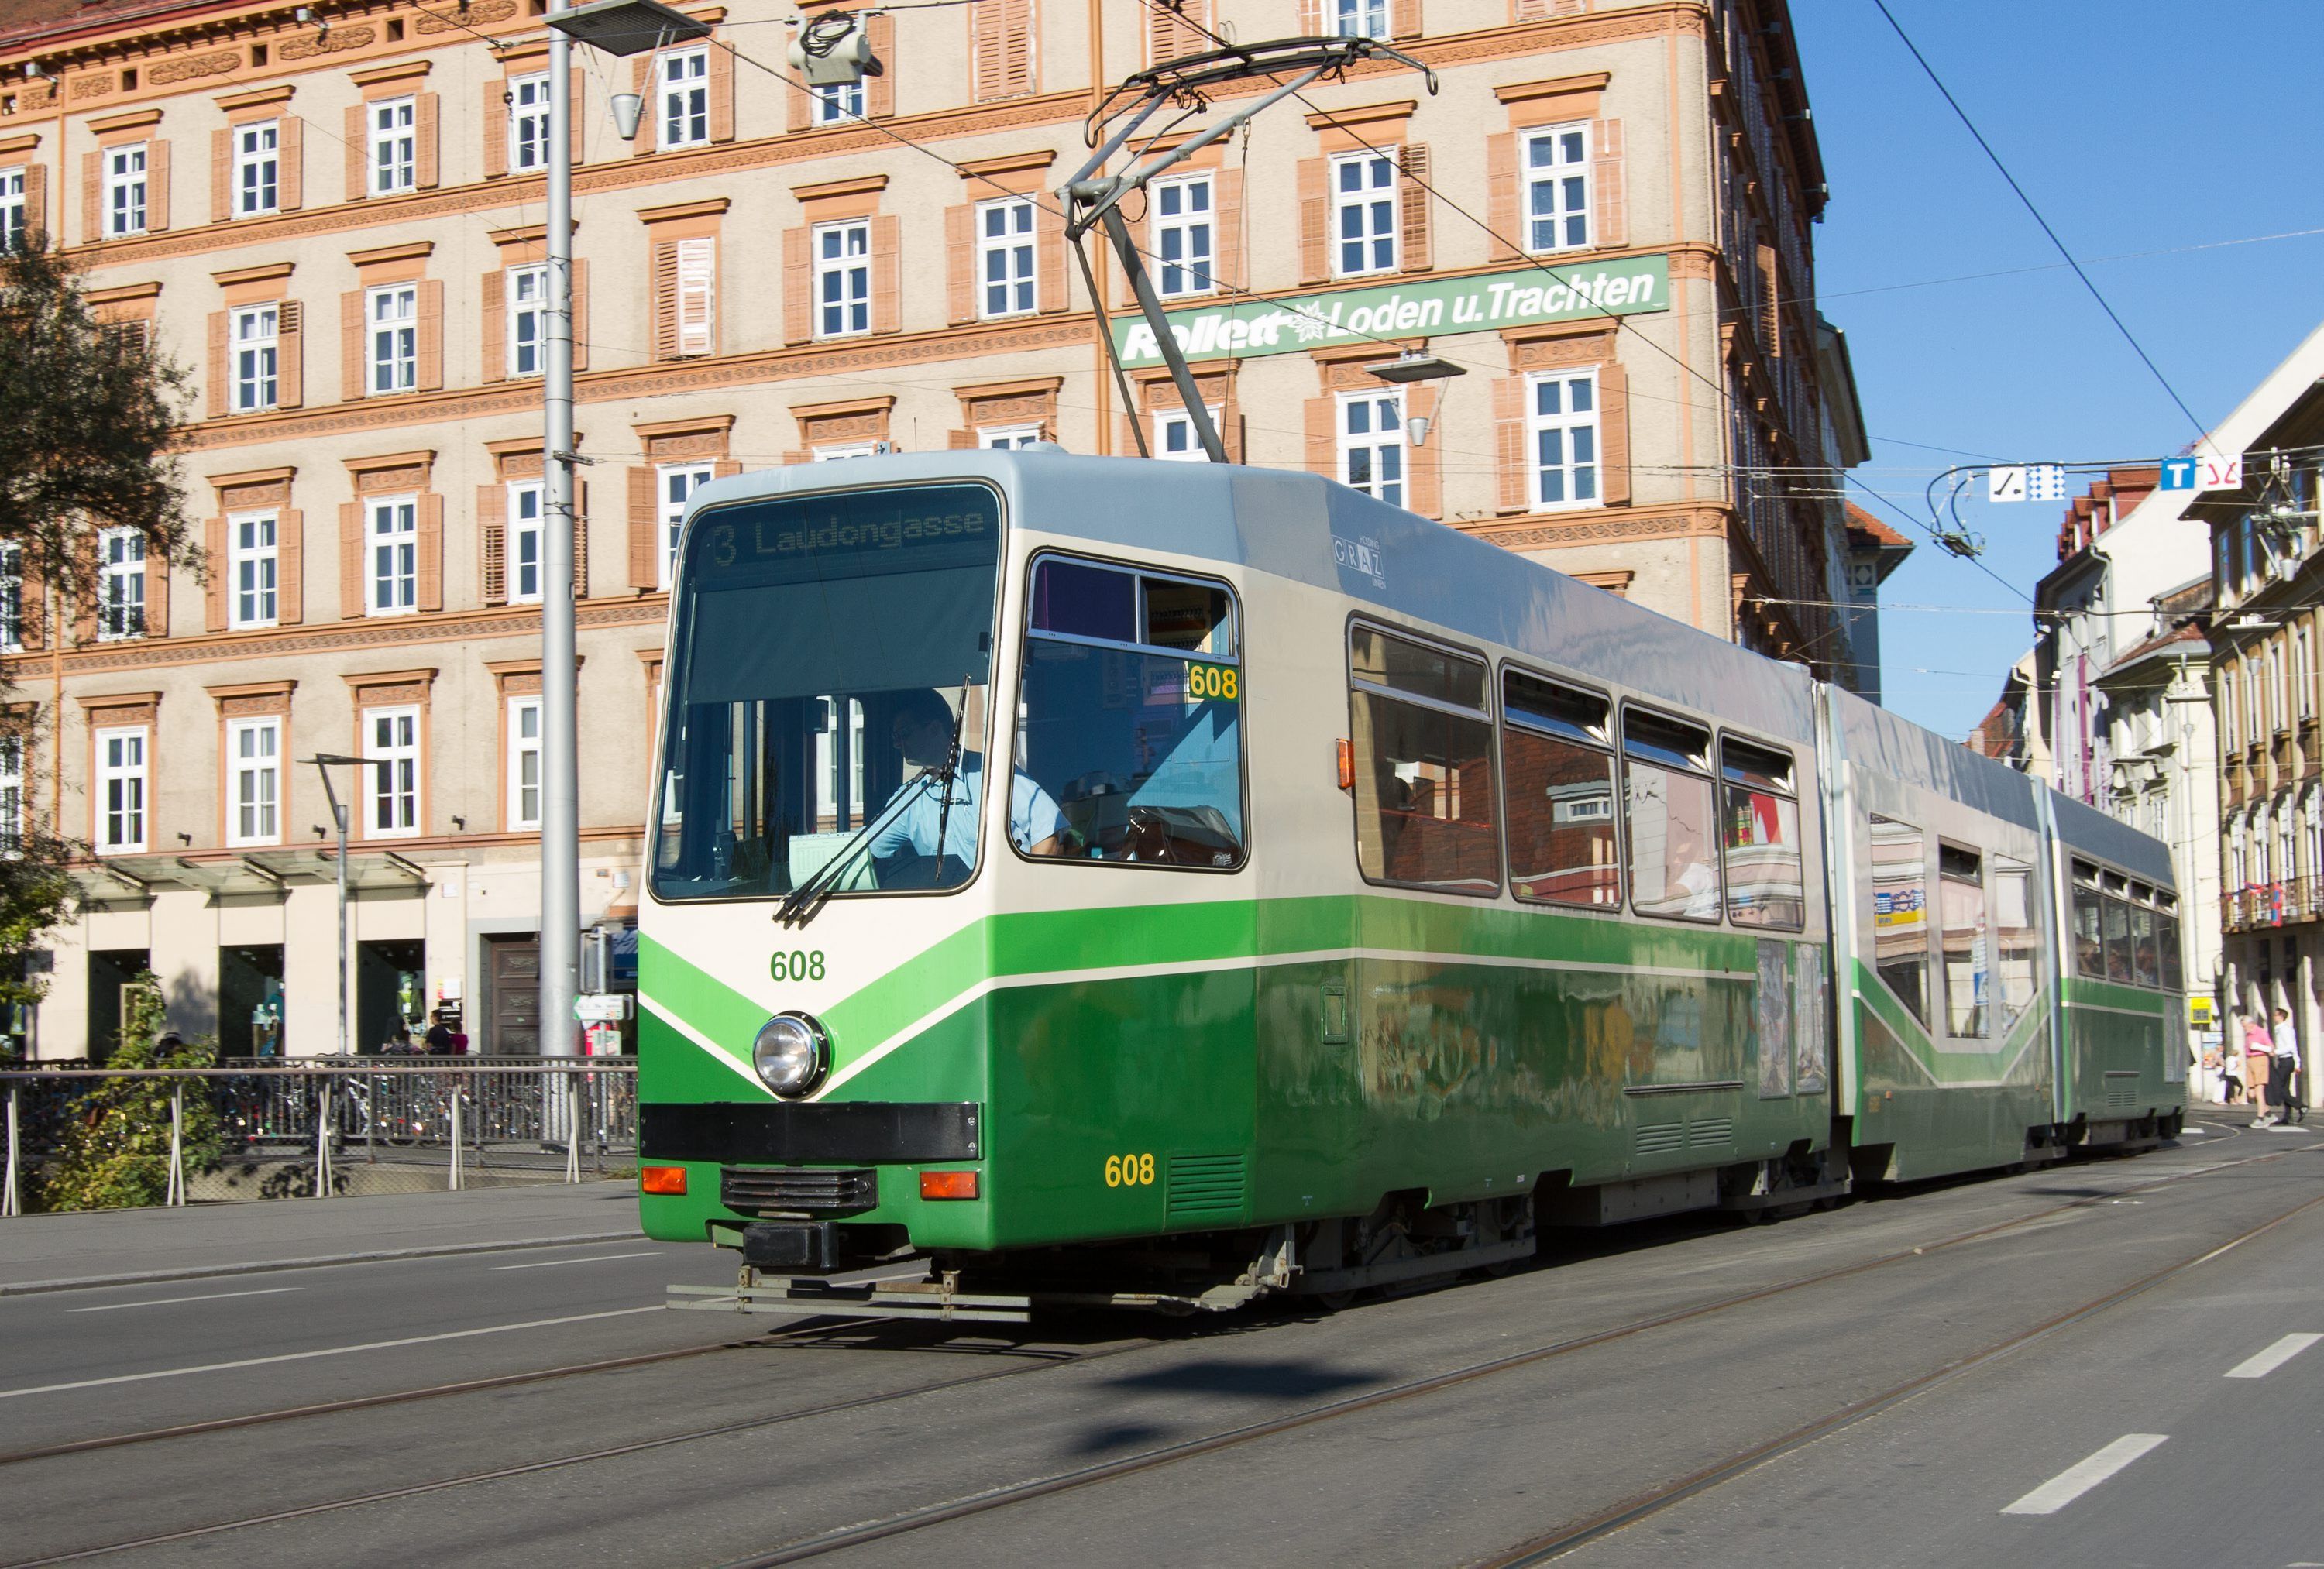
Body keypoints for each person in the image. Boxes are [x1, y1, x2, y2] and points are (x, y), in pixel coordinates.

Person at [868, 688, 1064, 882]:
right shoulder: (909, 798)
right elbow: (866, 848)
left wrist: (1024, 893)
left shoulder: (994, 774)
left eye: (905, 733)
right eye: (895, 737)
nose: (898, 744)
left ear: (935, 728)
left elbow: (1047, 834)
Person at [2241, 1011, 2276, 1127]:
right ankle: (2269, 1113)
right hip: (2250, 1061)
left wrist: (2258, 1047)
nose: (2244, 1029)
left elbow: (2271, 1049)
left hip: (2260, 1060)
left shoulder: (2260, 1032)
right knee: (2251, 1094)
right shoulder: (2248, 1034)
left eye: (2244, 1026)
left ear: (2250, 1024)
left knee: (2259, 1091)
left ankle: (2260, 1118)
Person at [2272, 1007, 2305, 1125]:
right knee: (2285, 1089)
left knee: (2278, 1087)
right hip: (2287, 1061)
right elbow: (2294, 1048)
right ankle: (2287, 1116)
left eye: (2276, 1015)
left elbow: (2290, 1047)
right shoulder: (2283, 1029)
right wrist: (2297, 1063)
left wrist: (2275, 1051)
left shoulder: (2284, 1030)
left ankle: (2301, 1106)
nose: (2274, 1017)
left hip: (2286, 1061)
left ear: (2281, 1017)